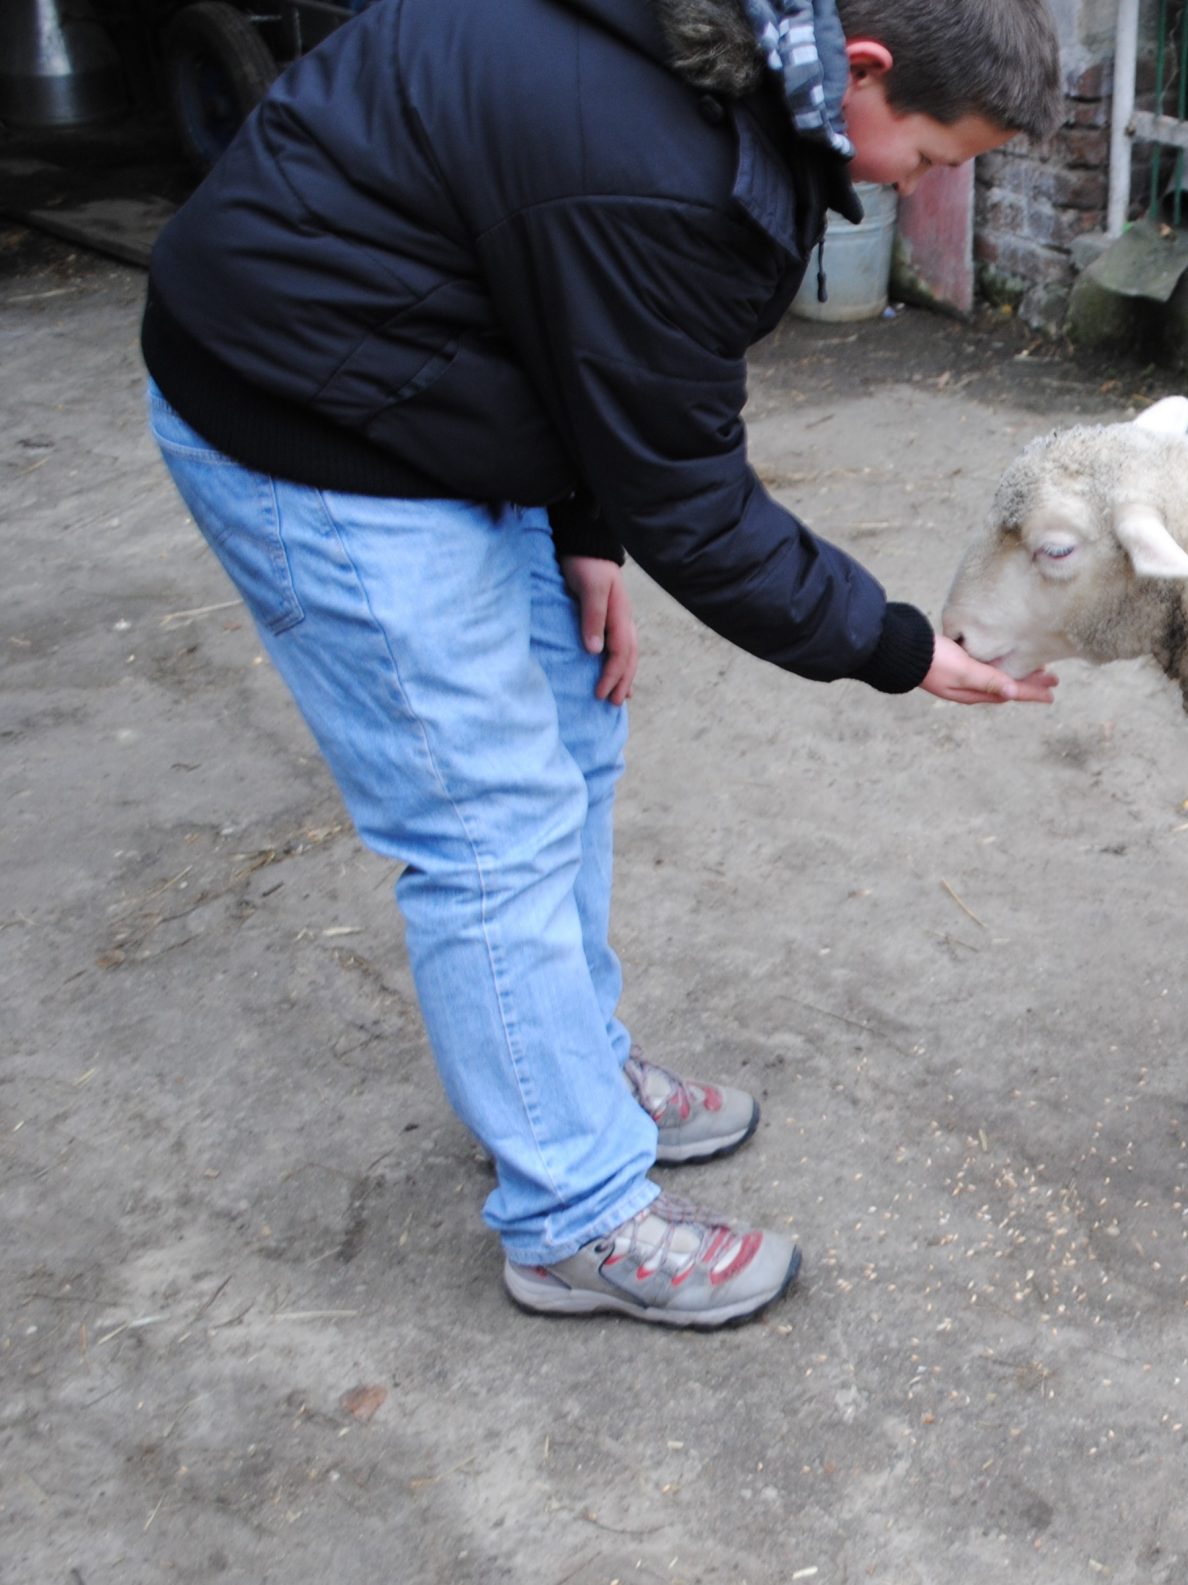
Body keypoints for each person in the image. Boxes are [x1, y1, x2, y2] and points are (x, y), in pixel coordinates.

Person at [141, 0, 1064, 1328]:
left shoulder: (730, 66)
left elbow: (557, 295)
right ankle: (572, 1215)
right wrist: (898, 647)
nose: (928, 184)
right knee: (486, 820)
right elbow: (700, 505)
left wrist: (581, 528)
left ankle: (565, 1068)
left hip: (427, 361)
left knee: (579, 714)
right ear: (859, 68)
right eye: (929, 154)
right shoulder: (659, 164)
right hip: (303, 406)